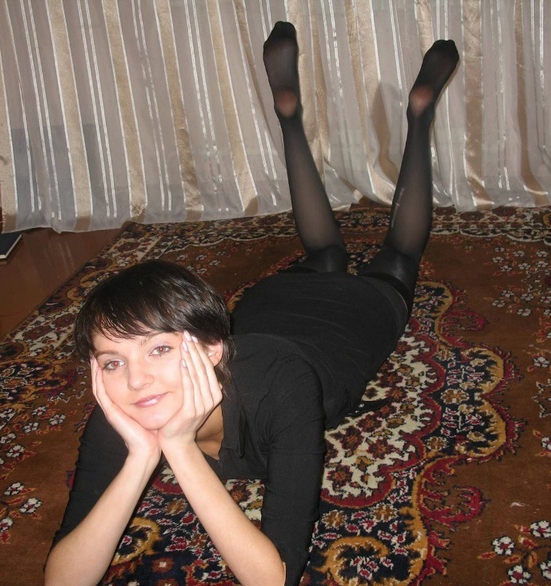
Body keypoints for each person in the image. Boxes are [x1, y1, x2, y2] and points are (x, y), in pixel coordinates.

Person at [45, 21, 459, 586]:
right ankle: (340, 116)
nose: (136, 381)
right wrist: (143, 455)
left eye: (159, 349)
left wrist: (179, 449)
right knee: (331, 252)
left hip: (348, 319)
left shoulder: (283, 388)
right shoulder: (124, 402)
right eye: (112, 361)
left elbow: (275, 578)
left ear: (212, 348)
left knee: (396, 259)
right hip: (275, 302)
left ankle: (406, 117)